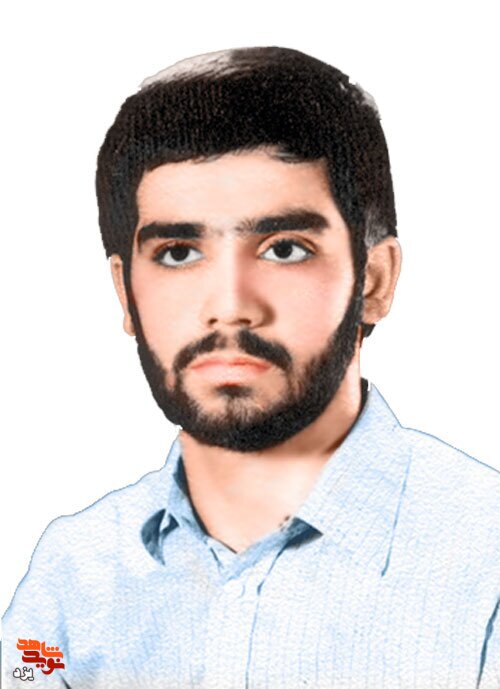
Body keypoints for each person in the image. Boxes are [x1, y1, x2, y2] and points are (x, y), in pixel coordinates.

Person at [3, 47, 499, 689]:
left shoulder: (486, 560)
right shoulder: (72, 577)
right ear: (126, 294)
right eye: (178, 253)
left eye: (284, 249)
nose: (231, 306)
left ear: (374, 281)